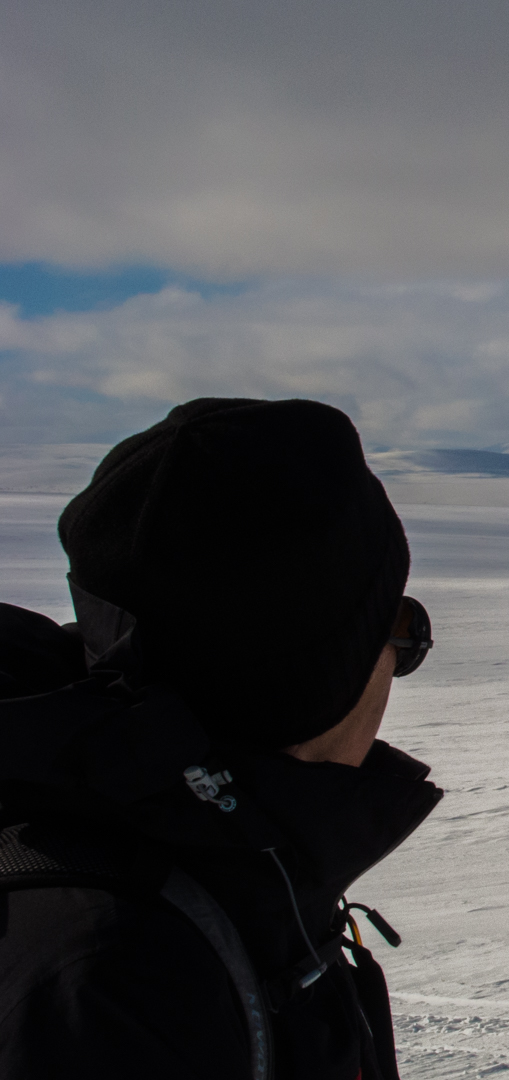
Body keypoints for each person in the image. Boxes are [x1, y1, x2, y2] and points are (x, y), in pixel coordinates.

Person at [0, 398, 442, 1080]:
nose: (398, 663)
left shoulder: (232, 876)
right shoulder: (120, 989)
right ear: (320, 675)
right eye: (400, 631)